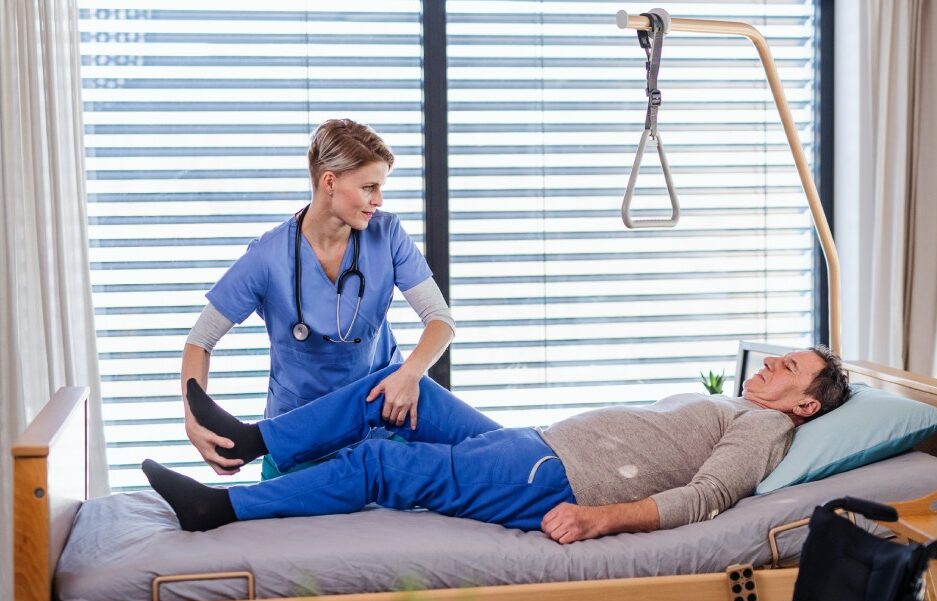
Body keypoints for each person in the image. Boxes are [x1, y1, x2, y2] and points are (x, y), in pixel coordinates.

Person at [146, 346, 849, 543]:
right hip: (533, 442)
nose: (768, 365)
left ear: (807, 403)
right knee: (403, 388)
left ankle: (222, 510)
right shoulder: (741, 404)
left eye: (787, 369)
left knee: (380, 459)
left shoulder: (767, 426)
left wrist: (603, 517)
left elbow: (707, 497)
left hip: (553, 476)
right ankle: (251, 439)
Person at [181, 119, 461, 480]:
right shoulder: (268, 257)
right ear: (330, 181)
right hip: (299, 437)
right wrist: (192, 418)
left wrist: (409, 375)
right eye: (369, 187)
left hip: (379, 429)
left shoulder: (387, 234)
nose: (379, 200)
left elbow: (440, 320)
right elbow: (200, 341)